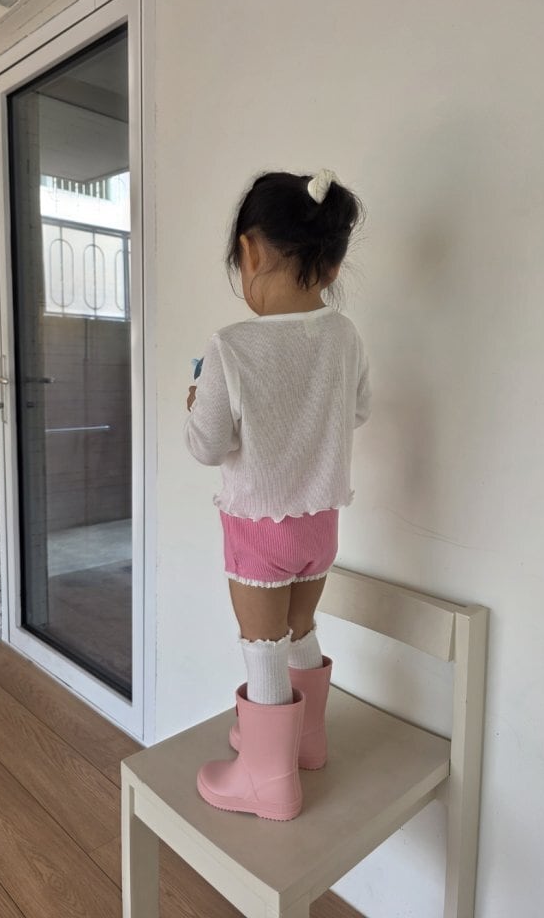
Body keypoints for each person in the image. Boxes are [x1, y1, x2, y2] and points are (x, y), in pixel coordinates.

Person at [184, 169, 371, 821]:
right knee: (301, 630)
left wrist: (195, 404)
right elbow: (359, 411)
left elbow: (207, 446)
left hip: (258, 530)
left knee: (261, 646)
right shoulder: (345, 336)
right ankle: (306, 742)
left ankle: (267, 781)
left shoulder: (231, 347)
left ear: (250, 251)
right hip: (321, 524)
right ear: (333, 263)